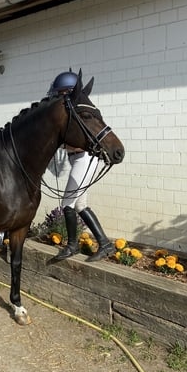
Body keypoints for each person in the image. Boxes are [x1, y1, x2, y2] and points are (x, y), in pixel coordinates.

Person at [47, 70, 115, 263]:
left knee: (67, 204)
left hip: (83, 158)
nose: (58, 98)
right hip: (77, 159)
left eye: (60, 94)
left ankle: (72, 246)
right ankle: (105, 244)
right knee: (80, 204)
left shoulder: (78, 113)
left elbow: (78, 140)